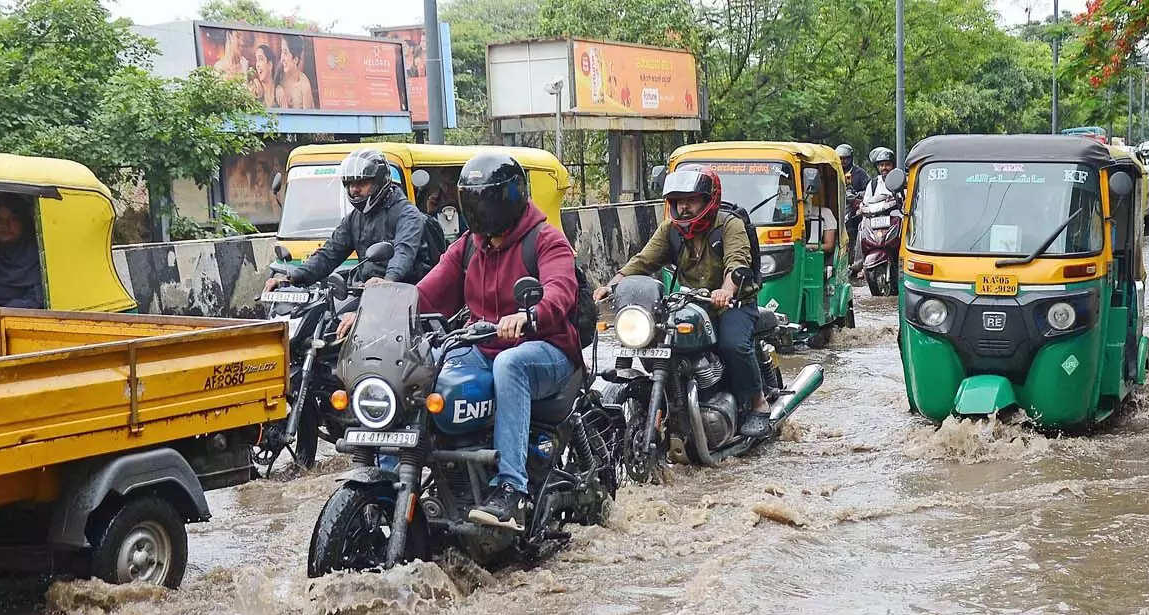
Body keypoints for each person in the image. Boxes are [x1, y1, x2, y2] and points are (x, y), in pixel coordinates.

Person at [414, 153, 581, 533]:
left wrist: (529, 315)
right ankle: (404, 467)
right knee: (430, 362)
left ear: (509, 197)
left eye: (484, 201)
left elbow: (560, 290)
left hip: (546, 349)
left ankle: (510, 489)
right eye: (471, 202)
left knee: (512, 365)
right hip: (483, 345)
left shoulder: (545, 239)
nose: (478, 211)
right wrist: (380, 308)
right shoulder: (470, 245)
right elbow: (429, 291)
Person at [593, 165, 771, 438]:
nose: (684, 208)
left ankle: (759, 403)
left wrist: (726, 291)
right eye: (678, 202)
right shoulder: (671, 230)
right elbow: (643, 260)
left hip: (731, 304)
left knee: (732, 345)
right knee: (653, 340)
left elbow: (737, 263)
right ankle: (668, 406)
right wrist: (612, 284)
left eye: (691, 201)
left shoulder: (729, 225)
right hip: (690, 304)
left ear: (708, 200)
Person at [267, 149, 430, 296]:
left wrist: (390, 279)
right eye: (350, 184)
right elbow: (329, 254)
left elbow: (404, 250)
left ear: (379, 181)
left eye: (361, 183)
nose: (354, 189)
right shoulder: (355, 218)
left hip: (403, 296)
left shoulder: (407, 214)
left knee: (344, 327)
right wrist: (292, 278)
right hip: (370, 292)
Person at [276, 35, 315, 110]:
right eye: (281, 52)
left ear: (295, 60)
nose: (282, 58)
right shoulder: (279, 76)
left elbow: (308, 118)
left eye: (285, 53)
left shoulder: (303, 83)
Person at [251, 43, 279, 107]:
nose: (257, 65)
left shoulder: (278, 92)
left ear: (270, 64)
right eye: (256, 60)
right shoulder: (255, 90)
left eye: (260, 59)